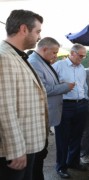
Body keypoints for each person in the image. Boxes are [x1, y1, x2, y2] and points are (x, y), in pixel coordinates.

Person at [0, 9, 47, 180]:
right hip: (16, 150)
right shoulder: (4, 57)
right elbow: (4, 108)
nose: (39, 36)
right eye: (38, 31)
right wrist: (16, 150)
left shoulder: (17, 56)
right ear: (24, 29)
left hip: (27, 144)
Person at [28, 37, 75, 180]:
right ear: (44, 49)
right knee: (38, 155)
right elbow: (44, 89)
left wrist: (60, 83)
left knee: (41, 154)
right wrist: (65, 87)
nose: (55, 56)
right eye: (54, 53)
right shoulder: (35, 62)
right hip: (41, 114)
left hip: (47, 114)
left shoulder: (42, 61)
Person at [52, 43, 89, 178]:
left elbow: (83, 86)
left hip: (81, 105)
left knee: (77, 137)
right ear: (72, 53)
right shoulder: (58, 66)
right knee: (63, 138)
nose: (82, 58)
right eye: (80, 55)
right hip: (65, 106)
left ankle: (73, 162)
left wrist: (86, 99)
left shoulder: (81, 69)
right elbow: (51, 86)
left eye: (84, 56)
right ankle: (61, 166)